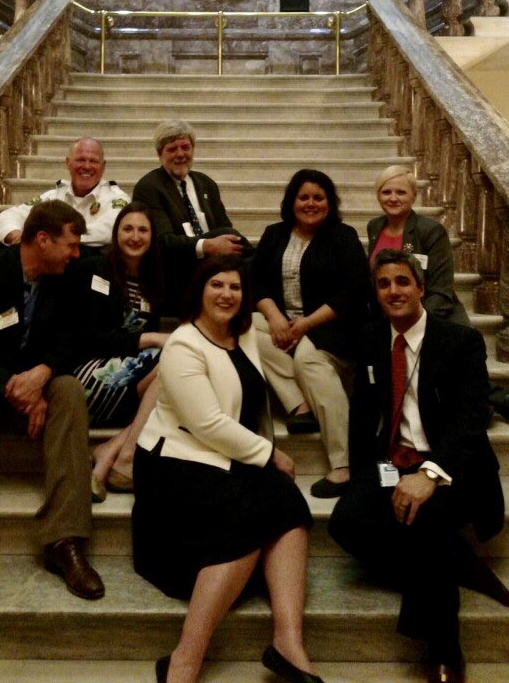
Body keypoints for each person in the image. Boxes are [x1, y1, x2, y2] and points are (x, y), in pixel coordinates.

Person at [132, 256, 322, 683]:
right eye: (216, 284)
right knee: (247, 518)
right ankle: (184, 659)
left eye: (235, 287)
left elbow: (248, 404)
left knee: (288, 502)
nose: (226, 294)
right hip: (174, 463)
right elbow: (206, 423)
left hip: (225, 458)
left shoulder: (244, 334)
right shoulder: (183, 343)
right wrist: (271, 454)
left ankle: (288, 643)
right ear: (199, 290)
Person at [329, 250, 507, 683]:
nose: (394, 291)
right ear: (376, 292)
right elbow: (363, 410)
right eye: (384, 283)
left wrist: (430, 475)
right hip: (394, 459)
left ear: (421, 287)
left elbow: (471, 419)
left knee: (422, 521)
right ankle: (457, 559)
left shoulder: (459, 341)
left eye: (403, 282)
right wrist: (362, 473)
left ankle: (446, 649)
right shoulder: (372, 338)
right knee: (345, 523)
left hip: (454, 464)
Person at [0, 201, 104, 600]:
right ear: (42, 240)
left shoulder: (66, 280)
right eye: (71, 245)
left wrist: (43, 375)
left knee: (70, 390)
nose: (77, 254)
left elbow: (76, 339)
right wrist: (11, 383)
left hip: (30, 389)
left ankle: (65, 540)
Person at [252, 169, 371, 498]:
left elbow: (353, 292)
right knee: (242, 327)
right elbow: (255, 282)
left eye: (318, 197)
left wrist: (303, 326)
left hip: (332, 328)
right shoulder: (274, 234)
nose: (310, 203)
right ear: (292, 201)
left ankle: (344, 464)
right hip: (285, 322)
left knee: (307, 359)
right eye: (303, 197)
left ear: (330, 203)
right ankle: (300, 405)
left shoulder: (343, 236)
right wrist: (276, 318)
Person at [69, 202, 170, 499]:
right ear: (116, 234)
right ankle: (123, 457)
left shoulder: (154, 280)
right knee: (177, 365)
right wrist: (152, 338)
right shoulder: (94, 269)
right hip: (87, 374)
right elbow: (89, 337)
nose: (135, 236)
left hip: (125, 377)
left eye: (143, 230)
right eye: (128, 229)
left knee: (178, 374)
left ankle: (111, 453)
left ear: (152, 237)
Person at [132, 119, 248, 307]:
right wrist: (207, 245)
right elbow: (164, 242)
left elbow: (225, 229)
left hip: (214, 267)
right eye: (172, 149)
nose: (180, 154)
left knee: (248, 254)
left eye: (185, 147)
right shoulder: (149, 187)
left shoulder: (206, 184)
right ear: (159, 154)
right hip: (177, 272)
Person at [367, 165, 469, 325]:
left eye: (401, 192)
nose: (393, 198)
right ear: (378, 196)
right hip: (388, 319)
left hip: (431, 319)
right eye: (386, 192)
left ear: (414, 196)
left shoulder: (431, 231)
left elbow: (440, 291)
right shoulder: (374, 227)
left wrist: (411, 324)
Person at [0, 137, 129, 250]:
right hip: (51, 267)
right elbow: (3, 219)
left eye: (93, 161)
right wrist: (15, 235)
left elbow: (109, 230)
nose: (86, 166)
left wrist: (52, 239)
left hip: (89, 267)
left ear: (103, 166)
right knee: (2, 247)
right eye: (80, 160)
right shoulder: (53, 197)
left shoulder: (116, 198)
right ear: (68, 163)